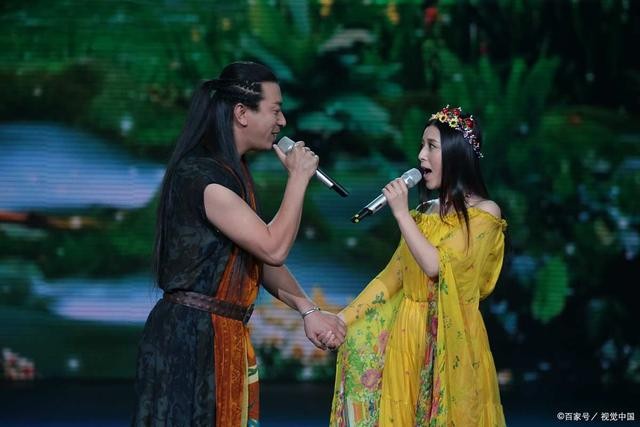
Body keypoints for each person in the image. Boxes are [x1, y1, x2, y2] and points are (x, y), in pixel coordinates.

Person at [133, 61, 346, 426]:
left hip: (224, 334)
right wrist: (297, 179)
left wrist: (308, 310)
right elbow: (273, 248)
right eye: (275, 111)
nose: (282, 122)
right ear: (242, 113)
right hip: (191, 339)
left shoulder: (234, 172)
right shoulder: (202, 175)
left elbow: (259, 257)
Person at [329, 106, 507, 426]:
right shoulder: (423, 212)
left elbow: (437, 266)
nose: (421, 155)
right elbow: (391, 278)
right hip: (408, 336)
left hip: (450, 337)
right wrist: (341, 320)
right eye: (421, 146)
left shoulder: (485, 213)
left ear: (456, 154)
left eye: (431, 146)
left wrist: (400, 214)